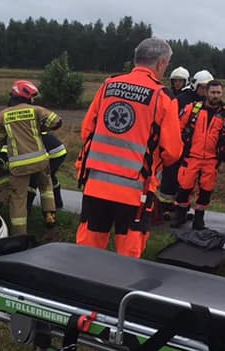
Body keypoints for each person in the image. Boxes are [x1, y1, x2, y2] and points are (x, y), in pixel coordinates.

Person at [76, 37, 182, 257]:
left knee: (86, 252)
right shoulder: (163, 97)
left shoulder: (109, 85)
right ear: (161, 63)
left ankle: (78, 289)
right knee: (128, 258)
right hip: (135, 191)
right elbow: (172, 151)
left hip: (96, 184)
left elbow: (87, 130)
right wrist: (152, 163)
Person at [0, 80, 62, 235]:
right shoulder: (36, 110)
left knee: (18, 198)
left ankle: (19, 234)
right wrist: (42, 127)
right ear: (27, 97)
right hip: (40, 160)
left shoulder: (4, 115)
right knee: (46, 186)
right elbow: (57, 121)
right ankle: (50, 215)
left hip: (18, 165)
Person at [171, 79, 225, 230]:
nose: (216, 95)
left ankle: (199, 219)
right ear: (206, 92)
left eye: (218, 93)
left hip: (211, 159)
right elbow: (178, 127)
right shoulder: (193, 109)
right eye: (213, 92)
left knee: (205, 192)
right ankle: (180, 215)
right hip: (191, 157)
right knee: (184, 188)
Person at [157, 66, 192, 216]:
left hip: (184, 141)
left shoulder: (188, 98)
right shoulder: (168, 95)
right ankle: (165, 206)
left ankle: (181, 206)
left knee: (182, 176)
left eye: (180, 81)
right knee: (168, 174)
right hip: (169, 138)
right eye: (175, 81)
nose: (177, 83)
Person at [29, 131, 68, 210]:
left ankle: (28, 206)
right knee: (50, 176)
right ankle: (58, 204)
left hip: (54, 155)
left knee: (38, 178)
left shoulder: (27, 136)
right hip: (60, 152)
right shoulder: (34, 131)